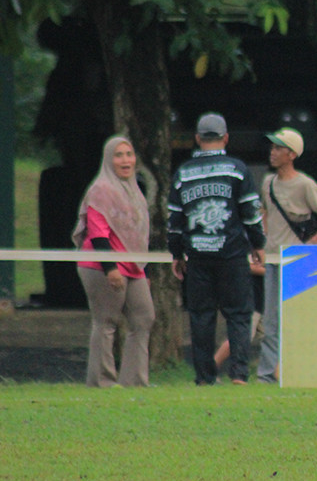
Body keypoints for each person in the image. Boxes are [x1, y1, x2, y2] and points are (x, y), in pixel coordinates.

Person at [168, 113, 266, 386]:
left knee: (201, 316)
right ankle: (238, 374)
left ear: (197, 139)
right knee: (238, 315)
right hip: (232, 255)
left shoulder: (183, 173)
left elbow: (174, 221)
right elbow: (250, 212)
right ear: (225, 138)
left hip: (198, 256)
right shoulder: (236, 169)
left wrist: (176, 254)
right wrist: (257, 244)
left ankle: (204, 376)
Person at [257, 127, 317, 383]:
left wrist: (314, 242)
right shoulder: (267, 182)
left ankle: (303, 370)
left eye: (278, 148)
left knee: (299, 319)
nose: (272, 153)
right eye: (272, 148)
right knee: (271, 321)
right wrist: (263, 241)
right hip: (273, 260)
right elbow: (264, 211)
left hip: (296, 261)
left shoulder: (304, 184)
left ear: (292, 154)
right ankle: (267, 375)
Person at [72, 135, 155, 388]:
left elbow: (139, 235)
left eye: (129, 154)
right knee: (106, 321)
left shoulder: (135, 191)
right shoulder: (100, 191)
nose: (125, 160)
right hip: (102, 266)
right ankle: (102, 382)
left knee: (144, 318)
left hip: (133, 266)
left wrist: (144, 270)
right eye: (118, 155)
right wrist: (110, 268)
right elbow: (98, 233)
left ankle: (135, 381)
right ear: (109, 160)